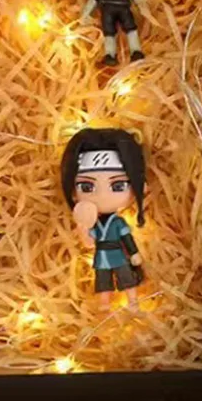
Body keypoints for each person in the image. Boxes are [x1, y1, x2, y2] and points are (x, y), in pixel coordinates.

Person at [60, 127, 147, 310]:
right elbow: (89, 243)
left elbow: (127, 238)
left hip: (118, 254)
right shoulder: (95, 223)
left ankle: (133, 301)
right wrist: (83, 229)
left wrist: (134, 253)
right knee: (103, 282)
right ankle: (104, 304)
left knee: (126, 278)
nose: (102, 196)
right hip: (101, 256)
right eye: (86, 187)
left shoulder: (118, 222)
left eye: (118, 186)